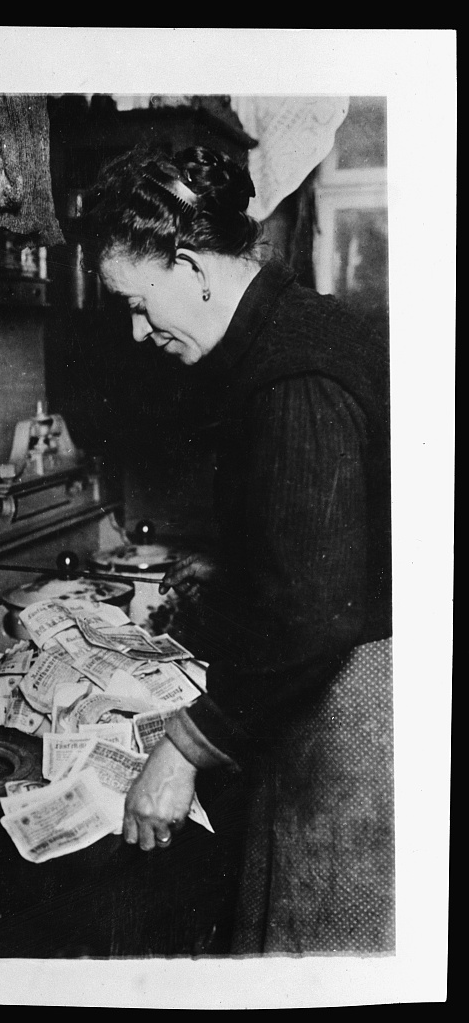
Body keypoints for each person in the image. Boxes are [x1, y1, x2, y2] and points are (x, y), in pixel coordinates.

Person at [83, 144, 394, 955]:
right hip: (341, 681)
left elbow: (313, 615)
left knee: (323, 944)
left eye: (137, 302)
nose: (137, 329)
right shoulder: (296, 327)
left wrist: (181, 750)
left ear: (189, 265)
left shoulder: (289, 378)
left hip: (356, 706)